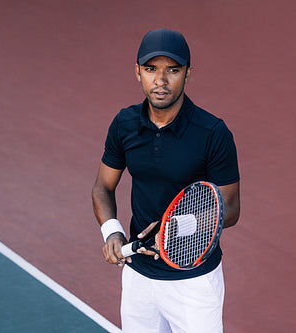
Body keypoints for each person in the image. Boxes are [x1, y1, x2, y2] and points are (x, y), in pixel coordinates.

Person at [92, 28, 240, 333]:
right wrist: (112, 232)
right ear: (137, 73)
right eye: (150, 70)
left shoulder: (213, 133)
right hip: (138, 278)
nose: (160, 81)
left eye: (172, 70)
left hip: (194, 283)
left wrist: (174, 229)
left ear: (187, 74)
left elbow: (230, 208)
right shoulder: (124, 124)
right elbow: (102, 187)